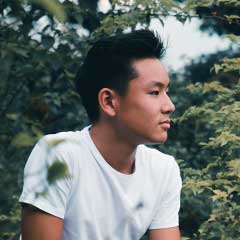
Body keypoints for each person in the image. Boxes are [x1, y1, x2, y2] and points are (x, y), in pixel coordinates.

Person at [19, 29, 182, 240]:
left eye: (166, 91)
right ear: (108, 101)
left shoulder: (163, 169)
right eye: (154, 92)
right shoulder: (59, 155)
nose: (169, 106)